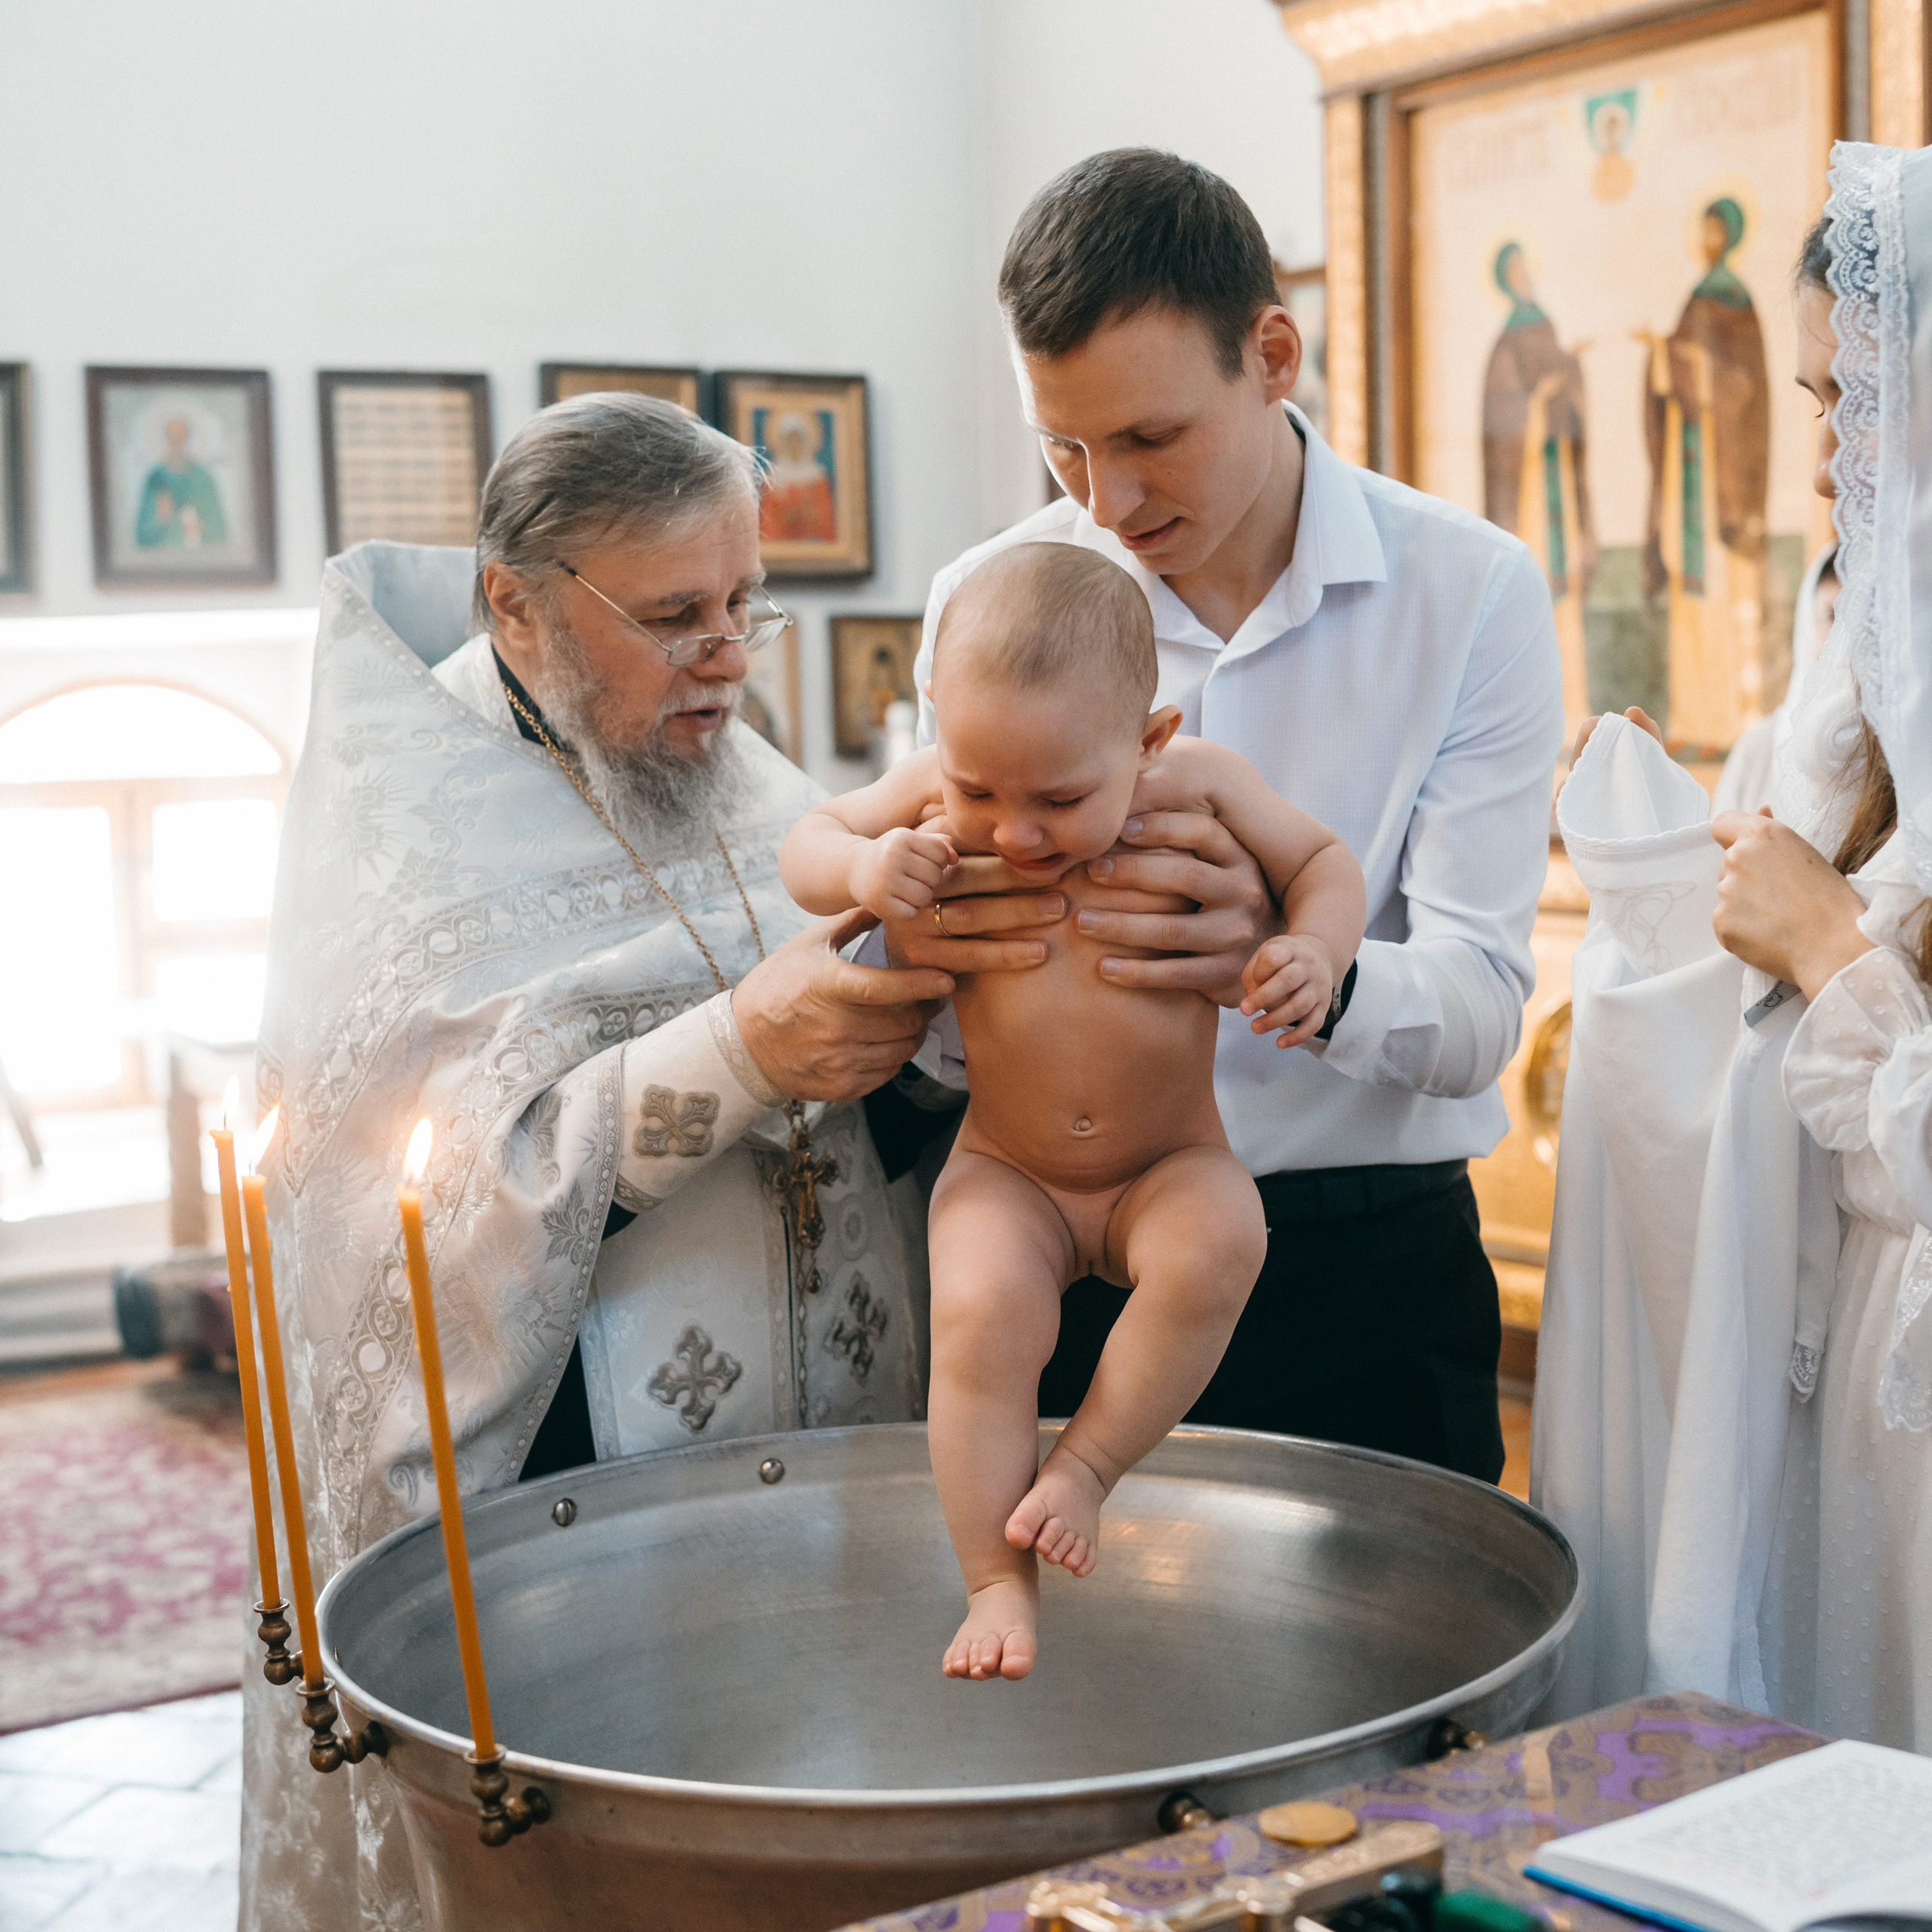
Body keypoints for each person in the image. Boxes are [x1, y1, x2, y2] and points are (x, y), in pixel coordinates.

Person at [238, 395, 1053, 1930]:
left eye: (747, 601)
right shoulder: (405, 843)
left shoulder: (745, 778)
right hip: (580, 1516)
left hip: (827, 1470)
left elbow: (891, 1083)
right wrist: (742, 1048)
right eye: (674, 615)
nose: (731, 655)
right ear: (514, 598)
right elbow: (398, 1221)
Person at [912, 149, 1565, 1484]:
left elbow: (1486, 1003)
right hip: (1073, 1254)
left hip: (1367, 1272)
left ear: (1273, 353)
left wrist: (1292, 973)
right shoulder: (988, 602)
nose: (1108, 504)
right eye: (1066, 447)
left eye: (1152, 438)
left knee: (1404, 1686)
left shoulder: (1473, 592)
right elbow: (943, 1006)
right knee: (1086, 1684)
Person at [784, 542, 1364, 1679]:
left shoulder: (1198, 782)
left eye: (1060, 798)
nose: (1015, 833)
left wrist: (1314, 948)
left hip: (1167, 1158)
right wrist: (865, 873)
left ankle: (1087, 1469)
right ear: (940, 723)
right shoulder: (936, 786)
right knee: (979, 1318)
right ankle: (996, 1580)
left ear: (1148, 739)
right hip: (1009, 1166)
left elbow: (1323, 860)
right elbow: (808, 840)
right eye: (979, 791)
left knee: (1223, 1241)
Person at [1535, 151, 1931, 1749]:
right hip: (1854, 1404)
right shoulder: (1863, 668)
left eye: (1864, 408)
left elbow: (1838, 961)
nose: (1825, 470)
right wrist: (1682, 857)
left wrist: (1833, 957)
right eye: (1816, 405)